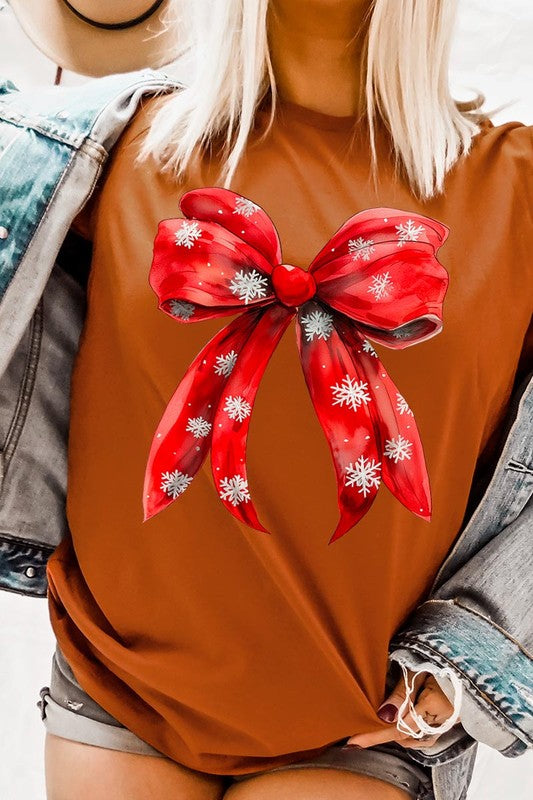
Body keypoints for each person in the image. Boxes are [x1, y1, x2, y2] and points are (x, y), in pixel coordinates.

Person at [0, 1, 531, 799]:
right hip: (120, 691)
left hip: (356, 715)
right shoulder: (97, 148)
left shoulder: (516, 185)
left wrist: (476, 658)